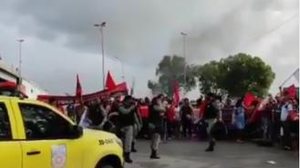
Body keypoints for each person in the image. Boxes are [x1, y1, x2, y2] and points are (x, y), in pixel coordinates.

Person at [117, 95, 137, 163]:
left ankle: (127, 156)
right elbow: (124, 112)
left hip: (129, 125)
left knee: (128, 142)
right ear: (126, 100)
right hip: (121, 126)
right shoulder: (121, 105)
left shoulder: (132, 106)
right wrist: (131, 108)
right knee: (121, 142)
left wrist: (137, 123)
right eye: (130, 100)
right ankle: (120, 154)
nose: (131, 101)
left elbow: (134, 115)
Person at [148, 94, 165, 159]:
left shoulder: (154, 106)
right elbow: (163, 110)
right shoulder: (154, 106)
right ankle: (153, 153)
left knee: (154, 139)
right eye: (160, 99)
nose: (160, 101)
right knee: (155, 139)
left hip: (156, 124)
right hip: (155, 124)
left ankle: (153, 152)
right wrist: (161, 105)